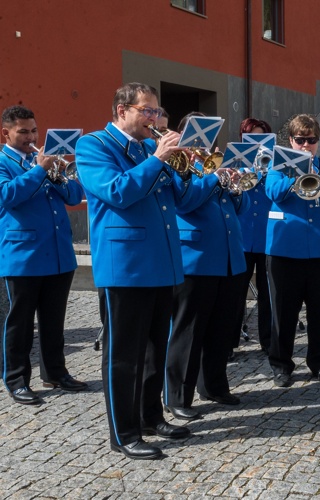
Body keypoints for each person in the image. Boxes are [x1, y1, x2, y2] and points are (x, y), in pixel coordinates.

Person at [76, 82, 190, 460]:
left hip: (161, 261)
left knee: (155, 349)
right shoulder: (94, 145)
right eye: (148, 111)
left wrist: (190, 168)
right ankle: (123, 433)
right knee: (123, 355)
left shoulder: (146, 148)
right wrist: (157, 159)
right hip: (124, 266)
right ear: (121, 110)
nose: (155, 119)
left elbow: (181, 198)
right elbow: (117, 191)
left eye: (158, 112)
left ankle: (150, 416)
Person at [163, 115, 250, 418]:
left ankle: (213, 385)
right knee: (189, 330)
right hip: (196, 257)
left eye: (209, 138)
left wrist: (237, 190)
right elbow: (185, 202)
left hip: (227, 255)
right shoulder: (178, 164)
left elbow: (237, 209)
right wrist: (215, 179)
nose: (205, 144)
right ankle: (177, 397)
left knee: (221, 328)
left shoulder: (214, 164)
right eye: (199, 137)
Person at [1, 105, 87, 406]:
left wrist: (59, 173)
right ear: (6, 133)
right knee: (21, 323)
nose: (31, 136)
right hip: (23, 255)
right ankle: (16, 380)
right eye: (23, 131)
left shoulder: (46, 163)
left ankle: (55, 372)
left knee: (54, 320)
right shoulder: (3, 162)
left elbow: (75, 197)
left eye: (34, 130)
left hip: (58, 254)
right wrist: (39, 170)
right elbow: (7, 196)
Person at [265, 114, 320, 387]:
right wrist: (297, 176)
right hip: (285, 250)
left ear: (317, 141)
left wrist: (319, 183)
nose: (306, 145)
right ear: (291, 141)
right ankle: (281, 366)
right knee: (283, 312)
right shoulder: (279, 166)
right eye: (300, 140)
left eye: (311, 140)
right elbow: (272, 191)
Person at [234, 118, 274, 355]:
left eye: (262, 139)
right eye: (252, 139)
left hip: (268, 234)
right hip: (242, 233)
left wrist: (267, 169)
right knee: (235, 292)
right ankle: (230, 341)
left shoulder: (275, 165)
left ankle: (269, 342)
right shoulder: (237, 164)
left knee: (267, 294)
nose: (258, 144)